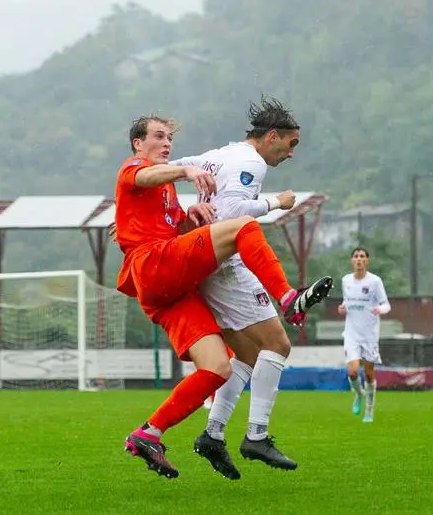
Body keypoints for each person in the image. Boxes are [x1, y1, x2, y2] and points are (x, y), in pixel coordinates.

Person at [114, 114, 332, 479]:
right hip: (153, 267)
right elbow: (143, 177)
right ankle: (288, 298)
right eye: (158, 136)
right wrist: (184, 172)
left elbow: (170, 227)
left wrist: (191, 216)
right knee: (244, 227)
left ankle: (149, 433)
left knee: (218, 367)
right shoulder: (135, 168)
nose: (166, 143)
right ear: (138, 143)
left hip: (169, 288)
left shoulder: (165, 187)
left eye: (169, 137)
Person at [170, 96, 302, 478]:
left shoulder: (219, 155)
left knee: (244, 353)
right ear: (272, 136)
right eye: (290, 144)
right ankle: (257, 435)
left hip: (206, 266)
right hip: (226, 265)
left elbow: (172, 169)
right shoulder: (251, 162)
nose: (291, 153)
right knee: (277, 345)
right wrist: (277, 202)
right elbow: (231, 215)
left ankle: (213, 433)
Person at [338, 247, 390, 423]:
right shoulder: (346, 280)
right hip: (351, 333)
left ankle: (369, 411)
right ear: (352, 260)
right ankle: (359, 394)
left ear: (367, 261)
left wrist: (379, 309)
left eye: (362, 257)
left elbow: (386, 305)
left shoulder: (375, 281)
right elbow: (347, 300)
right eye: (356, 256)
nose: (359, 259)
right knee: (352, 371)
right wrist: (342, 307)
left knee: (368, 375)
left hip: (369, 334)